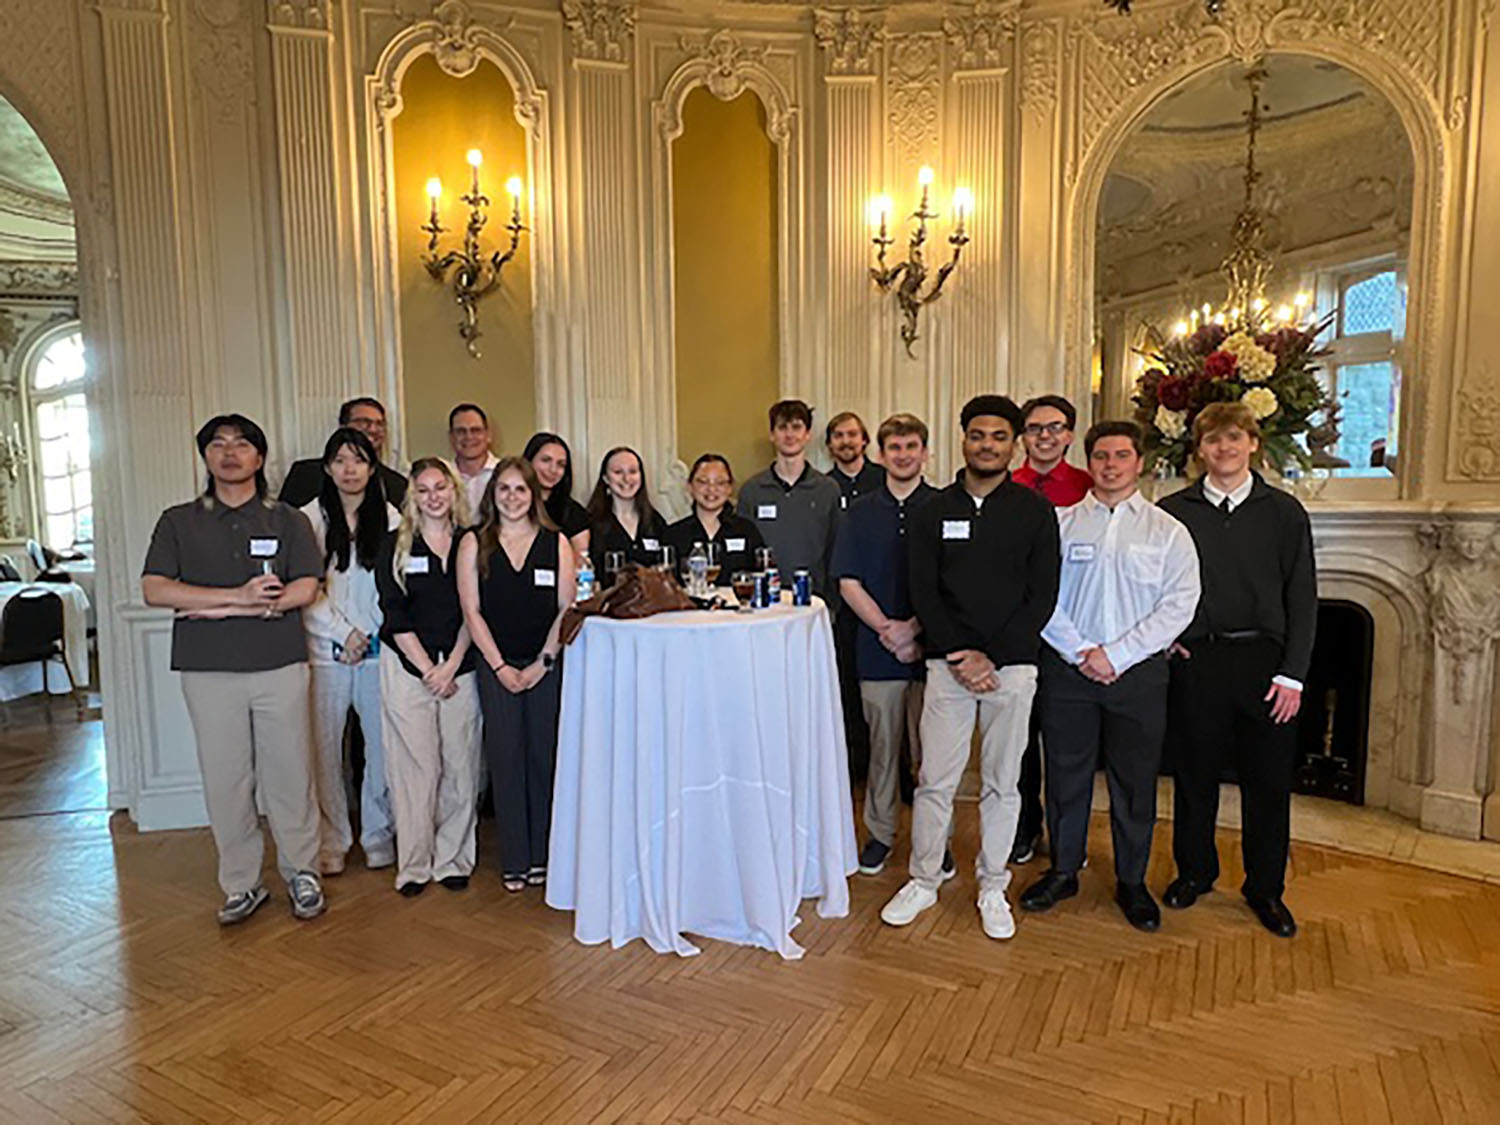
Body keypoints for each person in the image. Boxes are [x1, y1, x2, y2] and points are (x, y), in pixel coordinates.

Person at [880, 395, 1059, 941]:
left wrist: (994, 658)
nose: (987, 444)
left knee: (1004, 785)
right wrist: (962, 653)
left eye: (999, 436)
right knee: (935, 781)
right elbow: (924, 591)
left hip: (1014, 670)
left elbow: (1042, 594)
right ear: (962, 439)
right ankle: (924, 880)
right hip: (947, 667)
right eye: (977, 435)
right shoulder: (935, 509)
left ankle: (991, 886)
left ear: (1015, 443)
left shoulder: (1033, 510)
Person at [141, 414, 326, 924]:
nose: (229, 453)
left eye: (241, 444)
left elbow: (306, 588)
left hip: (280, 664)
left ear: (259, 457)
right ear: (205, 457)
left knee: (291, 772)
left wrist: (222, 608)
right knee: (226, 779)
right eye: (218, 445)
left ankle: (301, 872)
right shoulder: (178, 520)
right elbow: (155, 589)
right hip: (208, 670)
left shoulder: (289, 519)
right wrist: (237, 598)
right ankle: (242, 884)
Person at [1021, 421, 1200, 932]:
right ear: (1089, 461)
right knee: (1064, 775)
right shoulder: (1058, 524)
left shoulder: (1168, 532)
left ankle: (1131, 880)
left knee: (1134, 782)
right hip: (1068, 671)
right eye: (1101, 455)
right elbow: (1042, 594)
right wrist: (1081, 651)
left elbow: (1179, 605)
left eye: (1122, 455)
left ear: (1138, 462)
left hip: (1139, 676)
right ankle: (1063, 869)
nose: (1111, 464)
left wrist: (1117, 655)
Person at [1158, 401, 1316, 938]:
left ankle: (1265, 888)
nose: (1223, 448)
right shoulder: (1174, 510)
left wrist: (1293, 674)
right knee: (1194, 776)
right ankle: (1194, 872)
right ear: (1198, 450)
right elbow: (1155, 586)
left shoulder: (1284, 511)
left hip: (1265, 665)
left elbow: (1303, 597)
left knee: (1267, 783)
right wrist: (1167, 640)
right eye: (1212, 440)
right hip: (1197, 658)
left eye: (1233, 438)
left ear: (1253, 443)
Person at [833, 413, 944, 877]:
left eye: (911, 447)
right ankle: (880, 834)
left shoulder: (944, 507)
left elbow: (953, 582)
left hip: (935, 650)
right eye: (894, 448)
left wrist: (914, 630)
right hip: (876, 651)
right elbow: (847, 581)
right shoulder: (858, 512)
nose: (903, 455)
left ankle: (933, 842)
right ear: (881, 454)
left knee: (932, 757)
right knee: (881, 753)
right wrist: (888, 630)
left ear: (925, 453)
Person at [458, 457, 576, 892]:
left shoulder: (556, 542)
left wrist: (543, 661)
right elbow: (471, 610)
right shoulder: (474, 542)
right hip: (497, 667)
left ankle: (546, 854)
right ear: (493, 495)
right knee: (505, 761)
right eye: (503, 489)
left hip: (546, 666)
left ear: (534, 494)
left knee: (544, 758)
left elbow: (566, 608)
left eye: (520, 489)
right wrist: (501, 667)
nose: (511, 497)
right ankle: (515, 859)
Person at [375, 458, 481, 897]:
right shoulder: (395, 545)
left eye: (441, 487)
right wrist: (428, 670)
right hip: (407, 667)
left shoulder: (471, 543)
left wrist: (451, 665)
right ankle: (414, 865)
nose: (434, 496)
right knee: (415, 768)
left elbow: (475, 609)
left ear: (454, 492)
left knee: (461, 765)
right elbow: (394, 612)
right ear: (412, 497)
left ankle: (453, 858)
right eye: (423, 489)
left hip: (460, 664)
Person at [300, 427, 401, 875]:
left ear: (372, 466)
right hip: (325, 653)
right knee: (325, 753)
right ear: (327, 467)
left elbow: (397, 585)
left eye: (358, 460)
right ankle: (333, 840)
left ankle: (378, 833)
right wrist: (343, 635)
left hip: (378, 652)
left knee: (381, 749)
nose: (349, 469)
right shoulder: (307, 520)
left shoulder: (393, 517)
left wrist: (367, 635)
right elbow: (304, 589)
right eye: (340, 460)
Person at [1008, 394, 1094, 865]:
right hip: (1018, 634)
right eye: (1035, 428)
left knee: (1066, 746)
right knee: (1018, 743)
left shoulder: (1089, 485)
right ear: (1023, 436)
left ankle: (1067, 839)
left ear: (1069, 433)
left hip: (1071, 637)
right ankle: (1024, 828)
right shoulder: (1005, 483)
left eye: (1054, 427)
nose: (1045, 436)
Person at [736, 400, 843, 609]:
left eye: (796, 427)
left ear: (807, 434)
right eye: (782, 427)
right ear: (772, 434)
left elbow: (836, 551)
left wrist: (832, 604)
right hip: (763, 603)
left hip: (814, 602)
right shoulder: (751, 490)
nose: (789, 434)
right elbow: (743, 552)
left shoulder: (828, 489)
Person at [279, 397, 407, 508]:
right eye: (364, 422)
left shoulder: (397, 484)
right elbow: (283, 523)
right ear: (343, 427)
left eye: (380, 424)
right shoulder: (305, 474)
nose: (373, 429)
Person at [664, 453, 765, 585]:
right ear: (690, 487)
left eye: (720, 483)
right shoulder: (673, 535)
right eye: (703, 482)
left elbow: (762, 577)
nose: (711, 489)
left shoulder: (747, 530)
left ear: (730, 488)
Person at [585, 446, 669, 583]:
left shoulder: (655, 521)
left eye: (633, 471)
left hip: (652, 602)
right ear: (605, 478)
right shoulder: (589, 522)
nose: (626, 478)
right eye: (618, 472)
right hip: (609, 602)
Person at [523, 432, 590, 556]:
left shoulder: (574, 513)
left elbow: (582, 564)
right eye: (546, 460)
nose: (553, 470)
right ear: (528, 461)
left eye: (561, 464)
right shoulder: (513, 506)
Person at [826, 411, 885, 511]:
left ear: (864, 440)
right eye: (838, 435)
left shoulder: (886, 479)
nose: (845, 441)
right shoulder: (824, 486)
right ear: (829, 444)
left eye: (852, 434)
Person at [448, 403, 500, 517]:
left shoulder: (504, 473)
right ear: (451, 437)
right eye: (461, 431)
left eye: (476, 430)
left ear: (488, 435)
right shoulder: (443, 477)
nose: (469, 437)